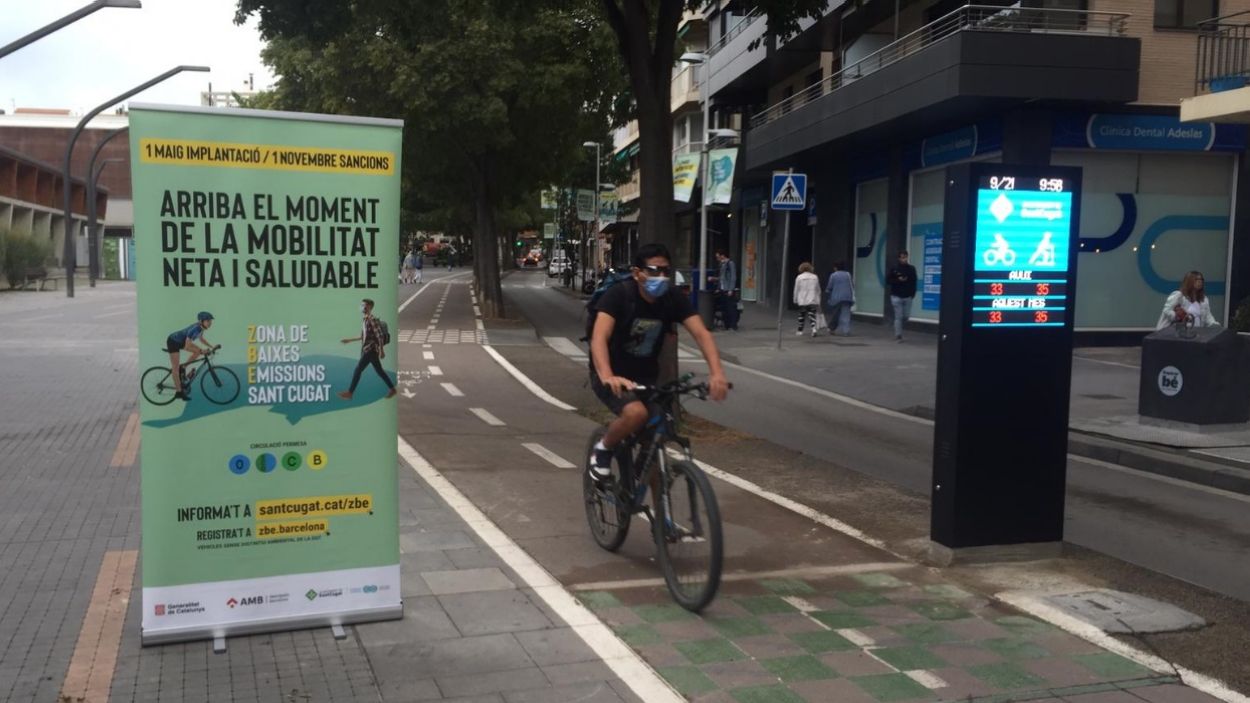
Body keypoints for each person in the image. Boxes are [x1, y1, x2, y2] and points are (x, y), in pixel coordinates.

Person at [587, 243, 730, 485]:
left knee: (655, 444)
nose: (661, 277)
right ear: (637, 273)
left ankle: (661, 520)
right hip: (611, 374)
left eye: (666, 271)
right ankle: (603, 448)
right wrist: (608, 375)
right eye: (653, 270)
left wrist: (717, 373)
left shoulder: (672, 298)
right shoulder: (620, 295)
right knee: (635, 413)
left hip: (646, 376)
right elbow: (599, 338)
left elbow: (702, 334)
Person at [338, 298, 397, 400]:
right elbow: (363, 336)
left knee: (358, 370)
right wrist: (349, 340)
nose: (362, 307)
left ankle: (350, 393)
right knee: (379, 371)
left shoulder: (371, 319)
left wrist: (382, 350)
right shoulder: (365, 319)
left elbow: (379, 335)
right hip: (368, 349)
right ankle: (392, 389)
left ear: (369, 307)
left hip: (370, 350)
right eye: (362, 305)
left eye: (364, 305)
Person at [166, 312, 214, 401]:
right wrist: (201, 350)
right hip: (173, 341)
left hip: (181, 342)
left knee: (198, 352)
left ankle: (183, 367)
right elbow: (187, 346)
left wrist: (211, 347)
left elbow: (201, 339)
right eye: (208, 321)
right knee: (175, 369)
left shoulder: (201, 328)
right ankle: (179, 392)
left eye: (210, 321)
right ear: (201, 321)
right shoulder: (195, 329)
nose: (210, 323)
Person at [887, 250, 918, 342]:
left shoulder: (911, 269)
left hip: (907, 296)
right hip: (896, 295)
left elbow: (914, 281)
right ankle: (898, 335)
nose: (904, 259)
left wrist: (913, 294)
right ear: (899, 258)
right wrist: (898, 280)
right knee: (899, 316)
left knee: (906, 316)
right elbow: (888, 280)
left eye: (905, 257)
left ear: (907, 257)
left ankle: (898, 327)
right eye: (902, 257)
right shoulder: (894, 268)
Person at [709, 250, 739, 331]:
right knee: (724, 308)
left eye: (718, 256)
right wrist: (718, 288)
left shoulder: (730, 264)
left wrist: (730, 289)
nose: (717, 258)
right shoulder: (722, 264)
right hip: (722, 289)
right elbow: (722, 278)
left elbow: (733, 277)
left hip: (728, 289)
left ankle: (732, 325)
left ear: (723, 256)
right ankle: (727, 325)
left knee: (730, 308)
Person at [825, 262, 855, 336]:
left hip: (836, 297)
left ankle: (831, 328)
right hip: (847, 297)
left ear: (835, 268)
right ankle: (846, 331)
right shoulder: (848, 274)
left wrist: (827, 291)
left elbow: (829, 286)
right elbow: (852, 285)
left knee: (835, 314)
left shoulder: (833, 275)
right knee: (846, 314)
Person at [793, 262, 821, 337]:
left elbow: (796, 289)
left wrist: (795, 299)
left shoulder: (799, 277)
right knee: (812, 314)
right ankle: (814, 329)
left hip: (802, 299)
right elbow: (818, 289)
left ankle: (800, 330)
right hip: (812, 298)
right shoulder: (815, 277)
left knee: (801, 315)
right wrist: (818, 299)